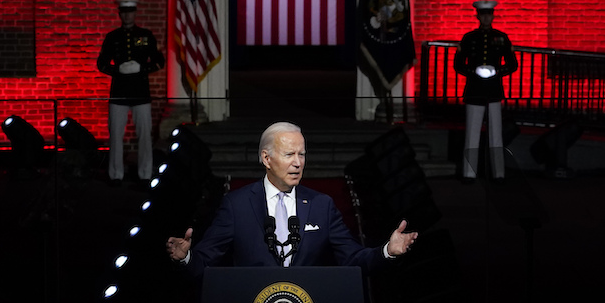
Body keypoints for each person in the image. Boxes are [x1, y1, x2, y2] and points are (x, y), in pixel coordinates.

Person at [165, 122, 417, 273]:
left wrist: (387, 251)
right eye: (289, 154)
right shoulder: (237, 205)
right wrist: (185, 257)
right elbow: (205, 261)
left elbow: (353, 258)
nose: (298, 163)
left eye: (302, 154)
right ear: (266, 159)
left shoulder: (322, 205)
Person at [97, 0, 164, 186]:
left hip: (140, 91)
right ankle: (115, 175)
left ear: (135, 13)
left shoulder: (145, 35)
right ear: (120, 14)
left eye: (130, 12)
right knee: (115, 135)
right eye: (124, 12)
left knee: (144, 135)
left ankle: (145, 174)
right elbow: (101, 63)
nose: (127, 16)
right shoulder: (112, 37)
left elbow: (159, 61)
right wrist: (117, 70)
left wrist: (142, 68)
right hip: (119, 92)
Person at [454, 0, 519, 183]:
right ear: (478, 16)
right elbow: (458, 64)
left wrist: (497, 71)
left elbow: (513, 64)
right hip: (475, 89)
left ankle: (498, 173)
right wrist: (473, 71)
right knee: (472, 134)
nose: (486, 18)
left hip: (493, 89)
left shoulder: (501, 37)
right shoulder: (469, 38)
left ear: (493, 16)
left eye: (488, 14)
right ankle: (469, 173)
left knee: (496, 135)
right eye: (483, 15)